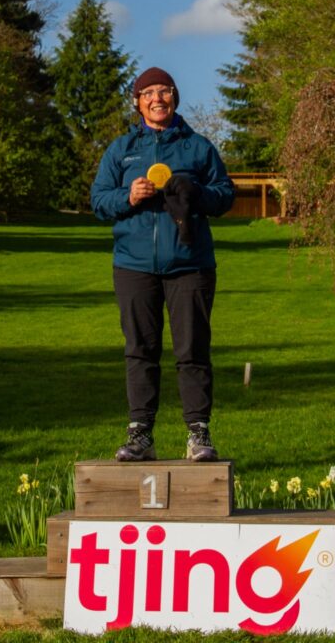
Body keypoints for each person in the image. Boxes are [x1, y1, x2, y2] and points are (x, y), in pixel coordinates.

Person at [91, 66, 235, 462]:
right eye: (148, 92)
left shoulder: (198, 147)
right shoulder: (121, 149)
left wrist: (196, 192)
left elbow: (224, 196)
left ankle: (198, 434)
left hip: (190, 264)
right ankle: (141, 436)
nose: (157, 98)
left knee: (192, 349)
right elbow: (99, 201)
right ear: (137, 102)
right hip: (134, 265)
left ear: (175, 97)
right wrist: (128, 196)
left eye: (164, 91)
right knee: (140, 350)